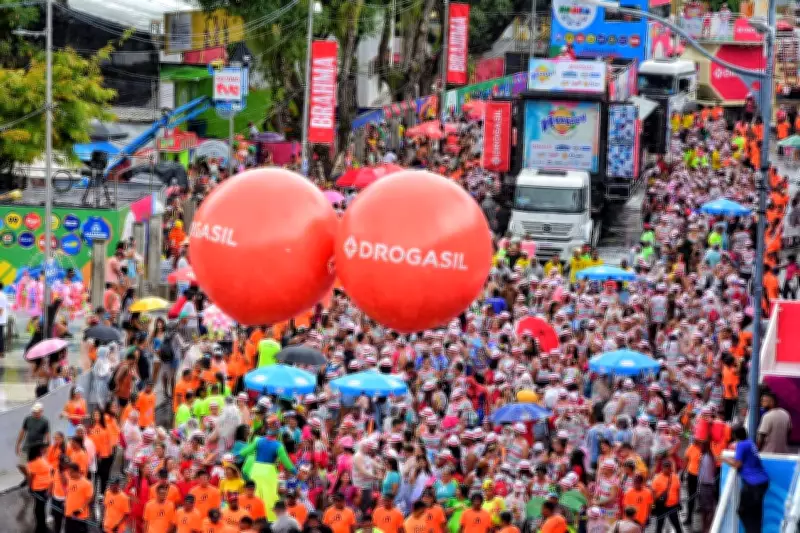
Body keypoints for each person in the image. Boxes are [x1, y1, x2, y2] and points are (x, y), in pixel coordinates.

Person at [724, 425, 770, 533]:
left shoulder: (741, 445)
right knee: (755, 513)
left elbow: (737, 464)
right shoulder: (750, 442)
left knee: (744, 512)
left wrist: (724, 458)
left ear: (734, 435)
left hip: (753, 485)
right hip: (762, 482)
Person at [16, 402, 50, 479]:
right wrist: (18, 444)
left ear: (41, 411)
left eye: (36, 412)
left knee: (34, 465)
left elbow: (47, 435)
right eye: (33, 412)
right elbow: (22, 432)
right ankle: (28, 477)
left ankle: (33, 481)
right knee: (21, 464)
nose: (34, 413)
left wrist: (47, 447)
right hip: (27, 445)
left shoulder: (45, 421)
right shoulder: (28, 419)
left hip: (37, 447)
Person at [651, 460, 682, 533]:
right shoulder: (657, 478)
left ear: (671, 468)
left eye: (668, 467)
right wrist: (653, 507)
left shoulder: (675, 477)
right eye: (665, 467)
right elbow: (653, 494)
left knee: (677, 525)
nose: (667, 469)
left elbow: (678, 490)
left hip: (672, 506)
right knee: (659, 526)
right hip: (661, 506)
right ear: (662, 468)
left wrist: (678, 502)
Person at [27, 445, 53, 533]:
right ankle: (41, 527)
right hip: (42, 488)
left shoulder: (38, 460)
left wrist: (30, 487)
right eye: (41, 449)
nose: (43, 450)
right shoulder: (37, 461)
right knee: (40, 508)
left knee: (40, 509)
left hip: (42, 488)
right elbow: (31, 476)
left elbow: (31, 477)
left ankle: (41, 527)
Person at [64, 462, 93, 533]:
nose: (69, 474)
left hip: (80, 516)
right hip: (69, 514)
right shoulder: (70, 480)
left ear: (76, 472)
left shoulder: (86, 483)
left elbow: (90, 498)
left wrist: (80, 509)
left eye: (70, 472)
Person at [0, 281, 8, 358]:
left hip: (0, 319)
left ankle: (1, 352)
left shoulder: (1, 296)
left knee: (0, 336)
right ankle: (1, 352)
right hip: (2, 319)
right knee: (1, 335)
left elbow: (1, 309)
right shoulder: (3, 295)